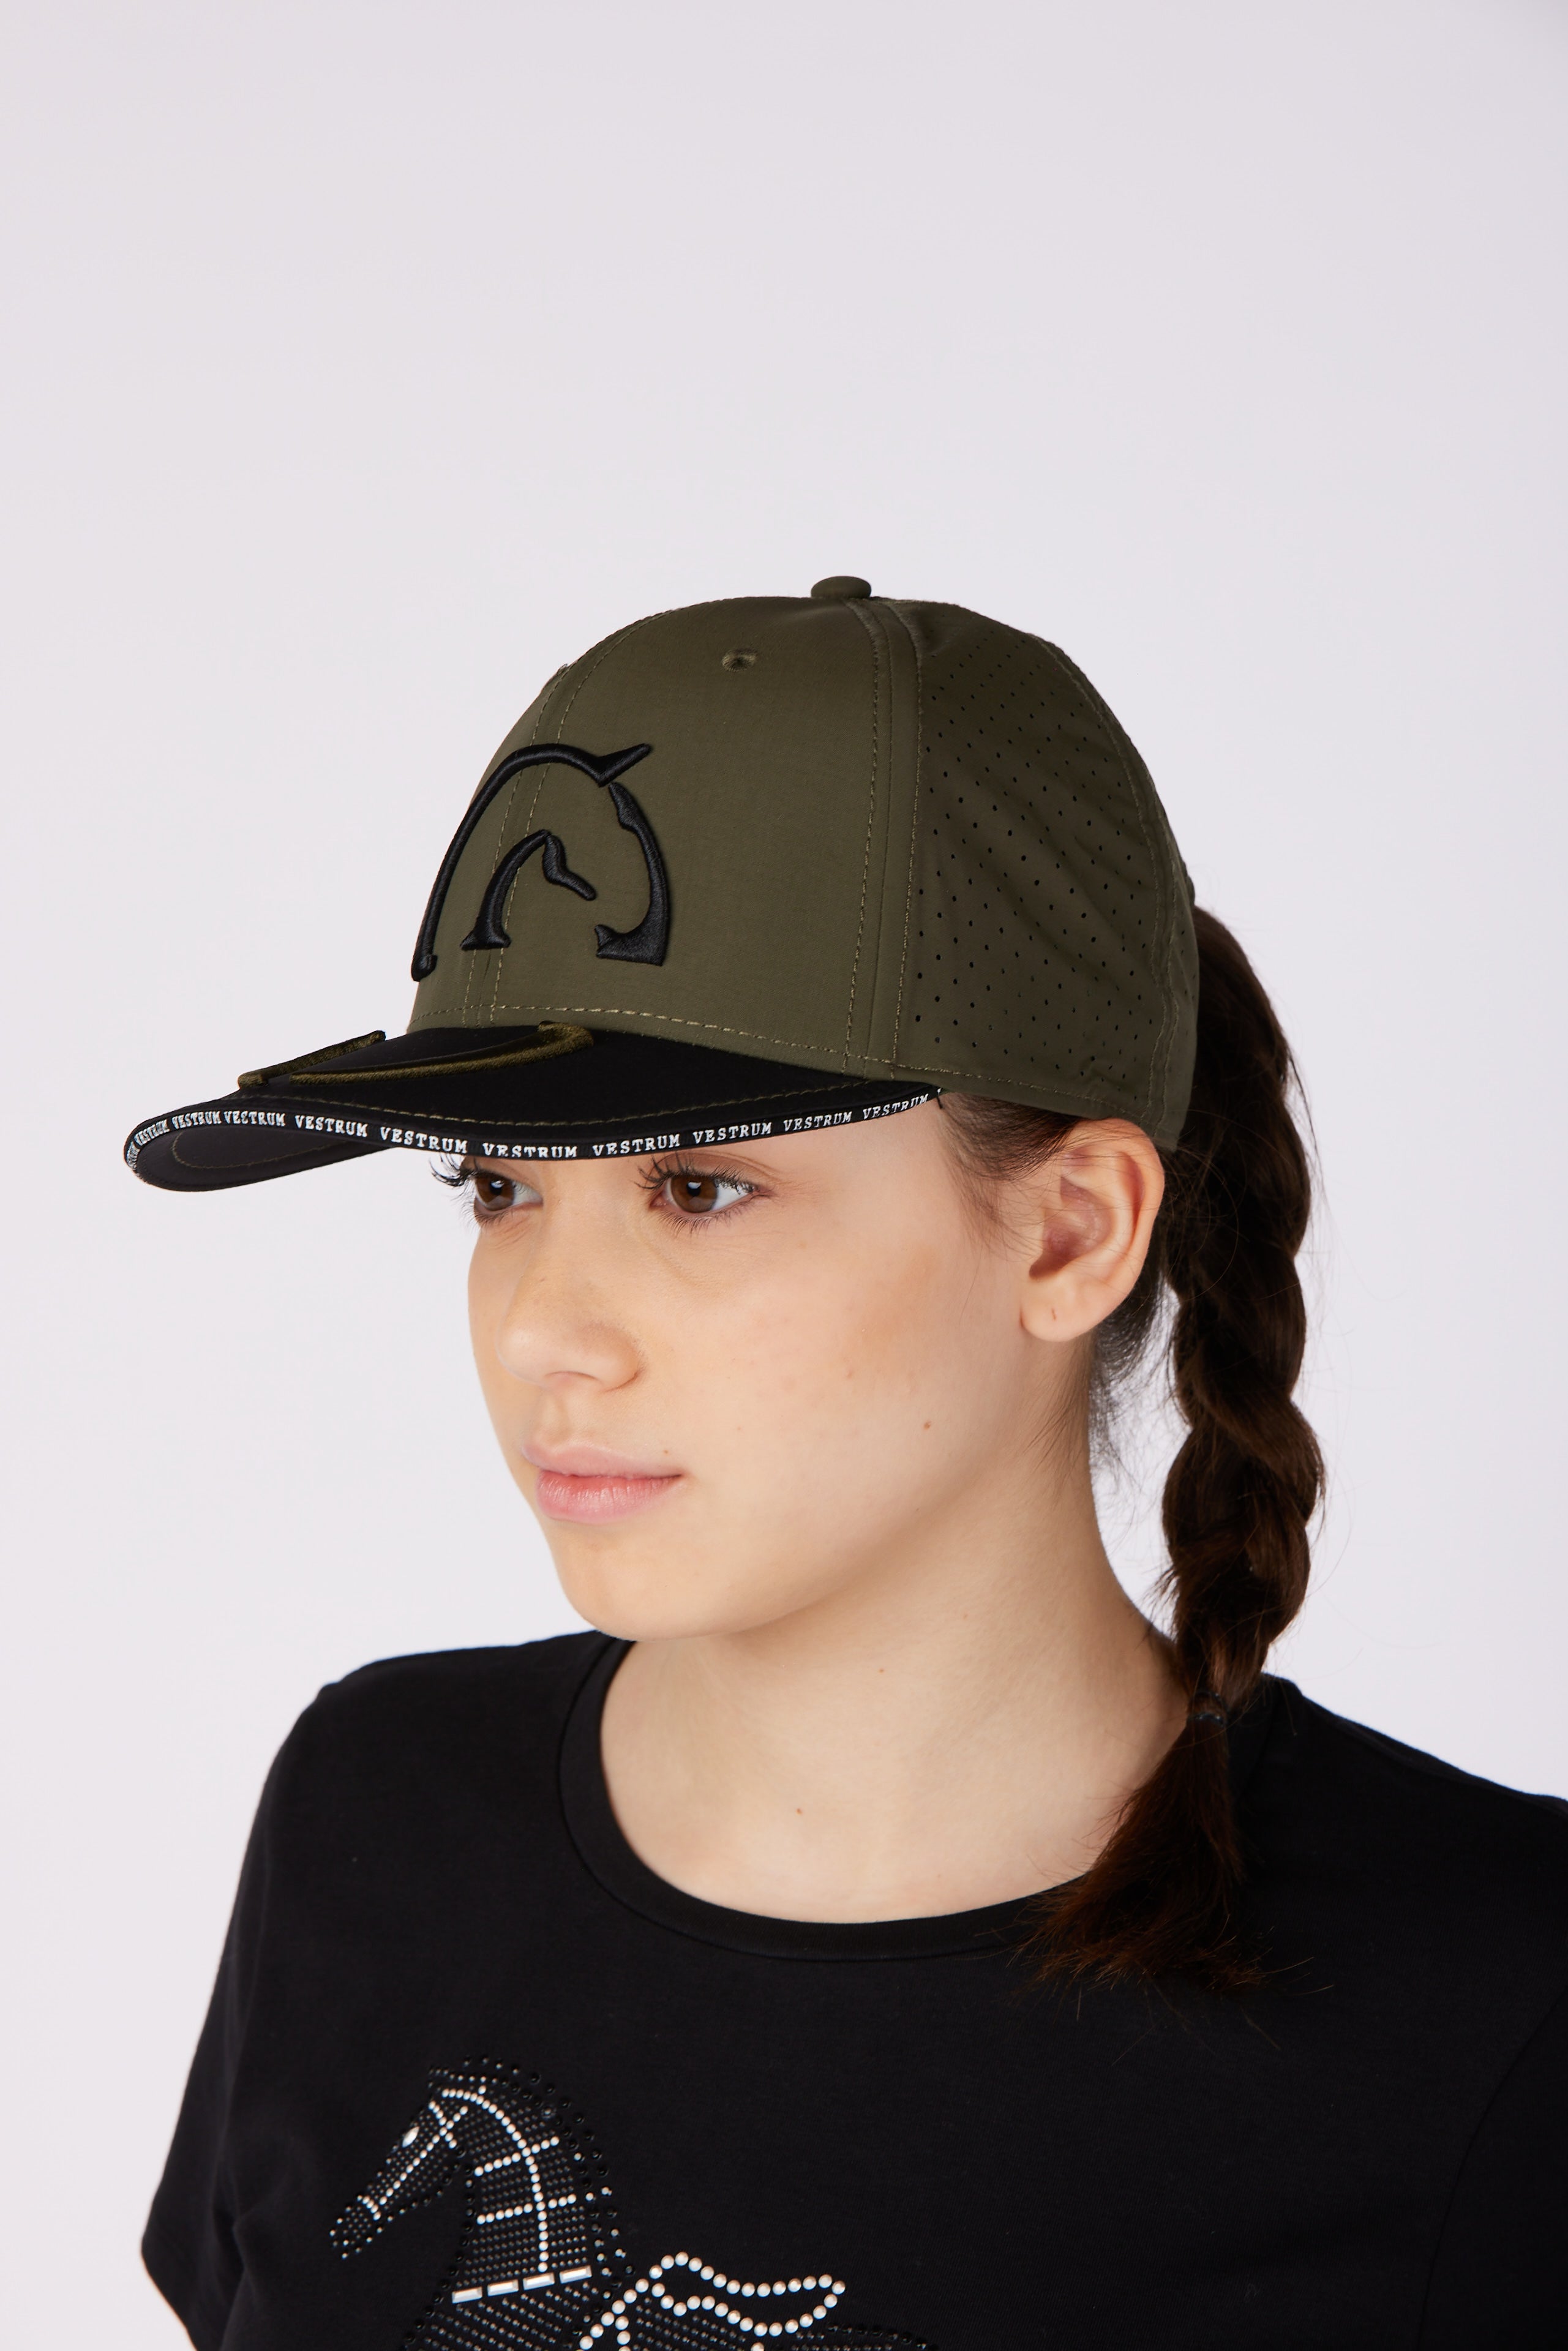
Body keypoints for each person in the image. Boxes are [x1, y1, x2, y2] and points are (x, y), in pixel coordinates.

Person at [127, 577, 1566, 2351]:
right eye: (498, 1190)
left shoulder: (1496, 2008)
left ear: (1070, 1232)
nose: (543, 1332)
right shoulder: (377, 1821)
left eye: (699, 1187)